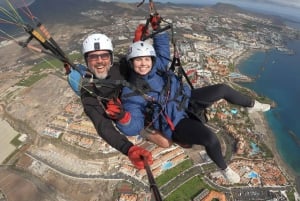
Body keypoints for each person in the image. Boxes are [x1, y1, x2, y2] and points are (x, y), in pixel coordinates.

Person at [106, 25, 271, 183]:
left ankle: (251, 105)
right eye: (138, 60)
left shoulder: (158, 68)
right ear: (131, 63)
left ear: (151, 59)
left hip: (186, 98)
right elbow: (133, 126)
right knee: (210, 139)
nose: (143, 64)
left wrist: (158, 31)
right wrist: (122, 117)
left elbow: (162, 51)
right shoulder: (132, 92)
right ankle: (224, 169)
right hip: (175, 122)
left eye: (146, 59)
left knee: (222, 89)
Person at [67, 33, 155, 170]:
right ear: (87, 61)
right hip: (124, 114)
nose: (100, 61)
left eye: (104, 56)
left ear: (111, 58)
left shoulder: (120, 67)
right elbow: (102, 125)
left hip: (135, 101)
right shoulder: (88, 90)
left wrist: (137, 42)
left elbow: (137, 60)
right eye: (93, 57)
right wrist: (128, 149)